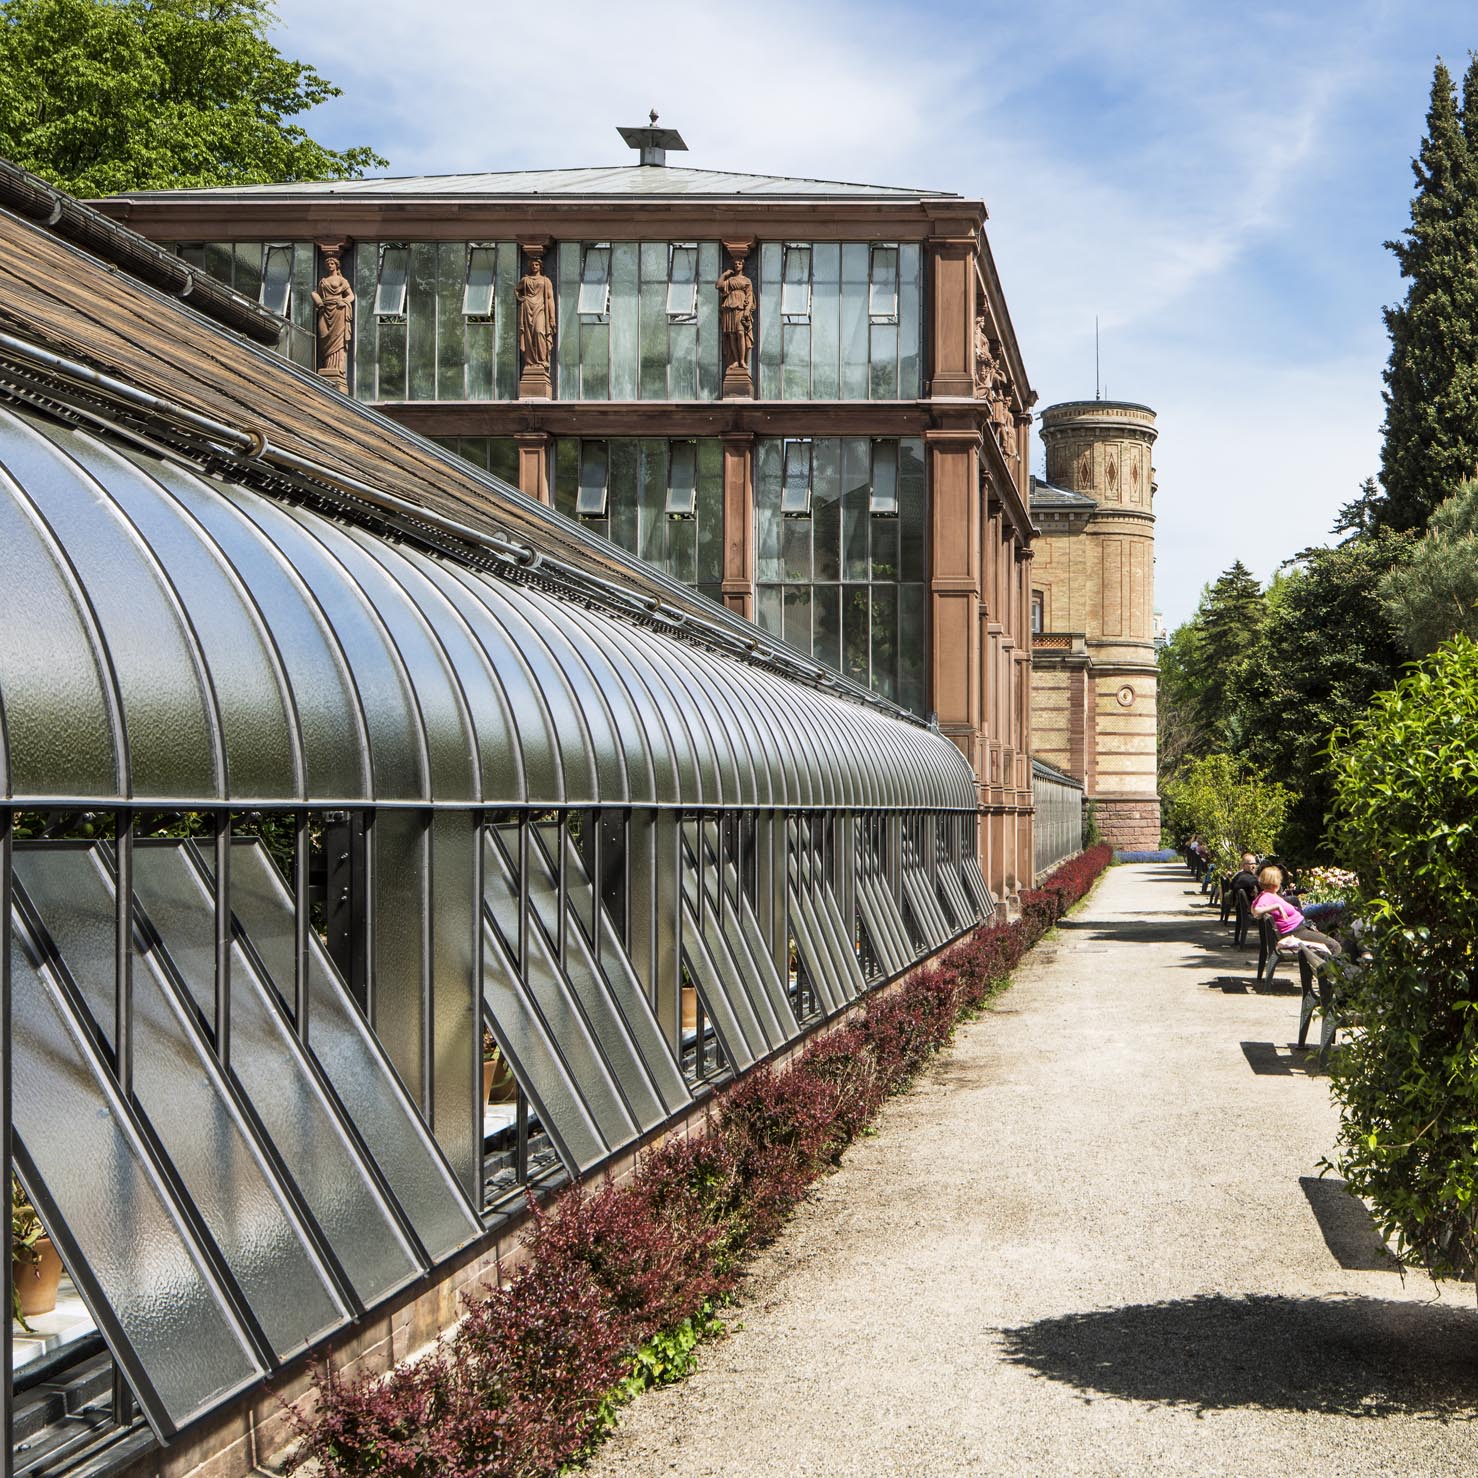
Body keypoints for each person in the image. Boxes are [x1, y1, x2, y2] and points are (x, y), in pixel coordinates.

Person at [1251, 863, 1342, 964]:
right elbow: (1256, 912)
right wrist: (1277, 906)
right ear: (1275, 882)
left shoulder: (1267, 895)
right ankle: (1332, 976)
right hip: (1296, 932)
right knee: (1335, 946)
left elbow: (1253, 908)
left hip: (1299, 928)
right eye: (1279, 880)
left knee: (1332, 928)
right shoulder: (1267, 896)